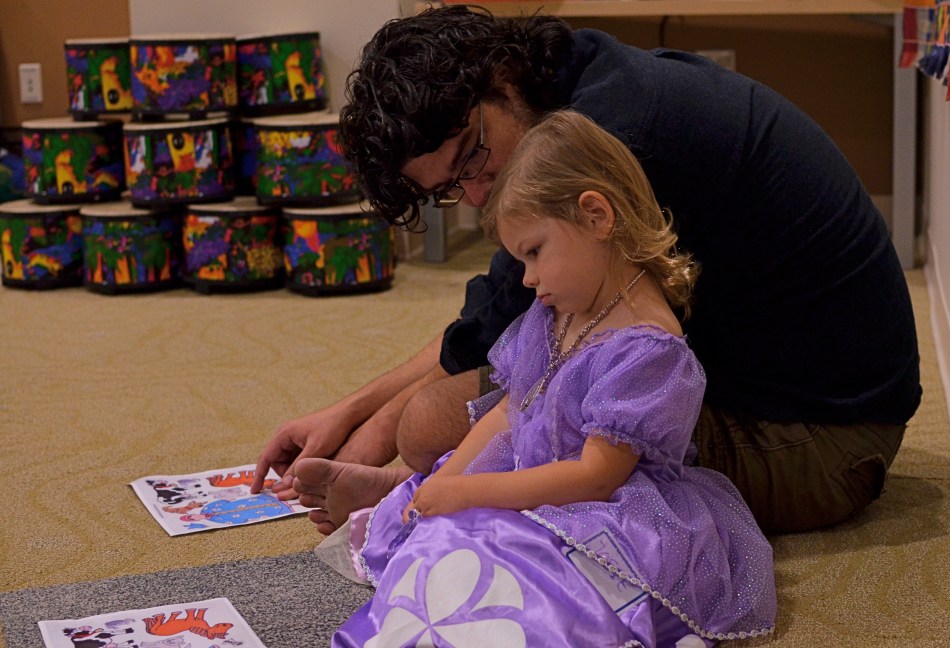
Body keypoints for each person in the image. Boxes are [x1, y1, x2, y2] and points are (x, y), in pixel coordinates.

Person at [252, 4, 921, 535]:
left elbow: (506, 332)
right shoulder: (577, 79)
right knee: (442, 414)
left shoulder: (611, 139)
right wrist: (353, 412)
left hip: (823, 441)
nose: (478, 194)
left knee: (433, 422)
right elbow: (494, 319)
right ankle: (412, 491)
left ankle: (415, 495)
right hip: (782, 388)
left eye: (472, 158)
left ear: (500, 77)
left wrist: (382, 439)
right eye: (451, 189)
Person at [330, 109, 775, 647]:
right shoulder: (554, 311)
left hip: (609, 516)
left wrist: (475, 494)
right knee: (447, 531)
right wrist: (452, 482)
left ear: (596, 216)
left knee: (523, 572)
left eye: (535, 252)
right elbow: (506, 410)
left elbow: (595, 477)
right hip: (531, 478)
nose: (529, 279)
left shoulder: (650, 349)